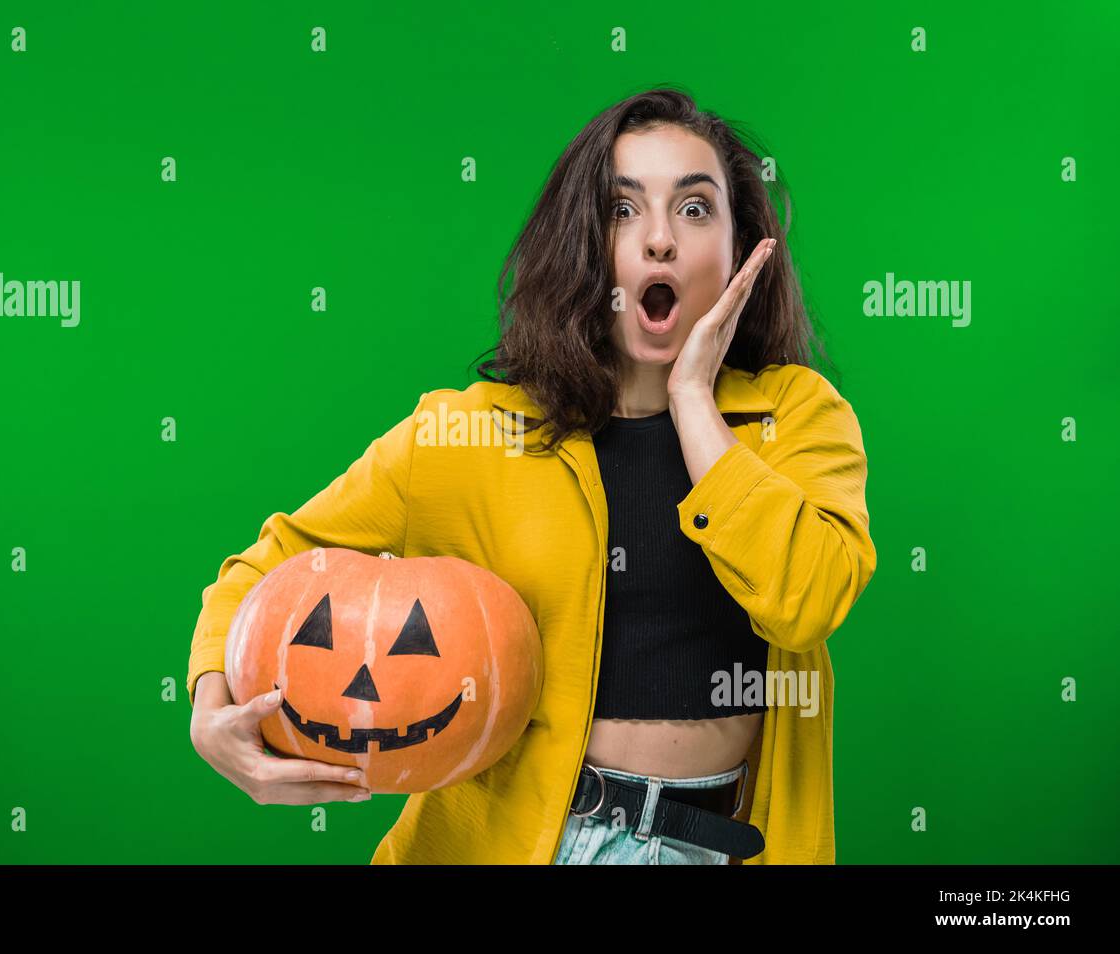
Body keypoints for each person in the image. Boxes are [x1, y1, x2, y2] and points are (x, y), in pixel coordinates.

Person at [187, 86, 876, 864]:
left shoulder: (797, 419)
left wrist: (692, 402)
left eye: (694, 209)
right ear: (583, 242)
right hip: (514, 842)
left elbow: (808, 599)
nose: (659, 241)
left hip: (715, 843)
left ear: (743, 246)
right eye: (622, 210)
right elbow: (271, 562)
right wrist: (213, 712)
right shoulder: (469, 432)